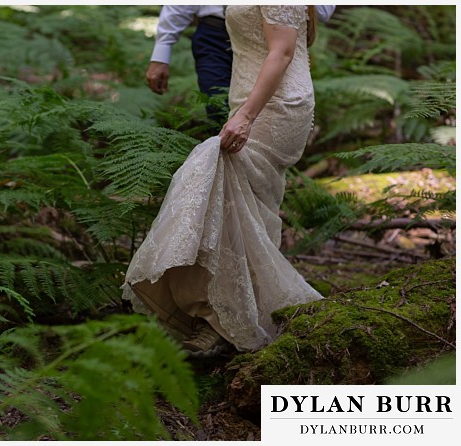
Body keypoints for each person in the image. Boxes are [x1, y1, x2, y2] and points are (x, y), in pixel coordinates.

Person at [123, 6, 324, 357]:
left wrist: (246, 116)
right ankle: (233, 310)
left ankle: (224, 320)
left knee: (229, 185)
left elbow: (284, 50)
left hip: (275, 104)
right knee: (248, 201)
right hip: (249, 96)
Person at [146, 5, 335, 131]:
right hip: (214, 36)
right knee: (217, 109)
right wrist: (162, 51)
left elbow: (324, 11)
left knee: (268, 117)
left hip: (267, 40)